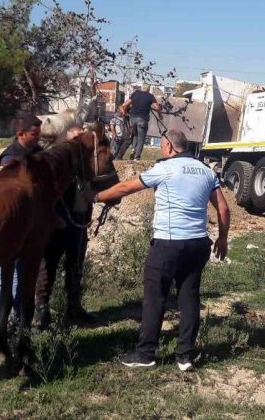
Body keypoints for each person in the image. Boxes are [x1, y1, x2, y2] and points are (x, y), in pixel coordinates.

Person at [95, 129, 229, 372]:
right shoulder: (207, 171)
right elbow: (223, 208)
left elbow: (126, 188)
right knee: (189, 298)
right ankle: (185, 356)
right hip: (198, 244)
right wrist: (223, 239)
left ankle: (146, 353)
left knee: (155, 297)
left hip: (168, 243)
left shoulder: (166, 168)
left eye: (162, 146)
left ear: (169, 147)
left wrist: (95, 197)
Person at [0, 114, 42, 339]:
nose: (38, 139)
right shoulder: (10, 156)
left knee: (21, 277)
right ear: (21, 134)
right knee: (1, 277)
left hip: (28, 226)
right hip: (11, 226)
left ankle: (16, 321)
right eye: (34, 135)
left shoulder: (37, 153)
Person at [34, 125, 95, 328]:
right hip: (57, 225)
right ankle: (42, 311)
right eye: (75, 139)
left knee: (75, 266)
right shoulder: (58, 165)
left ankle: (74, 307)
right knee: (47, 267)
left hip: (78, 224)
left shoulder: (85, 167)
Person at [119, 85, 160, 161]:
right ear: (148, 89)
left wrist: (124, 113)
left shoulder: (135, 94)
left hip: (133, 119)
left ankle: (133, 150)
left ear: (142, 88)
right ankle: (136, 157)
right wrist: (159, 114)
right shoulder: (150, 96)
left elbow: (125, 105)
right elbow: (157, 107)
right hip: (143, 120)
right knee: (141, 139)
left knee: (135, 135)